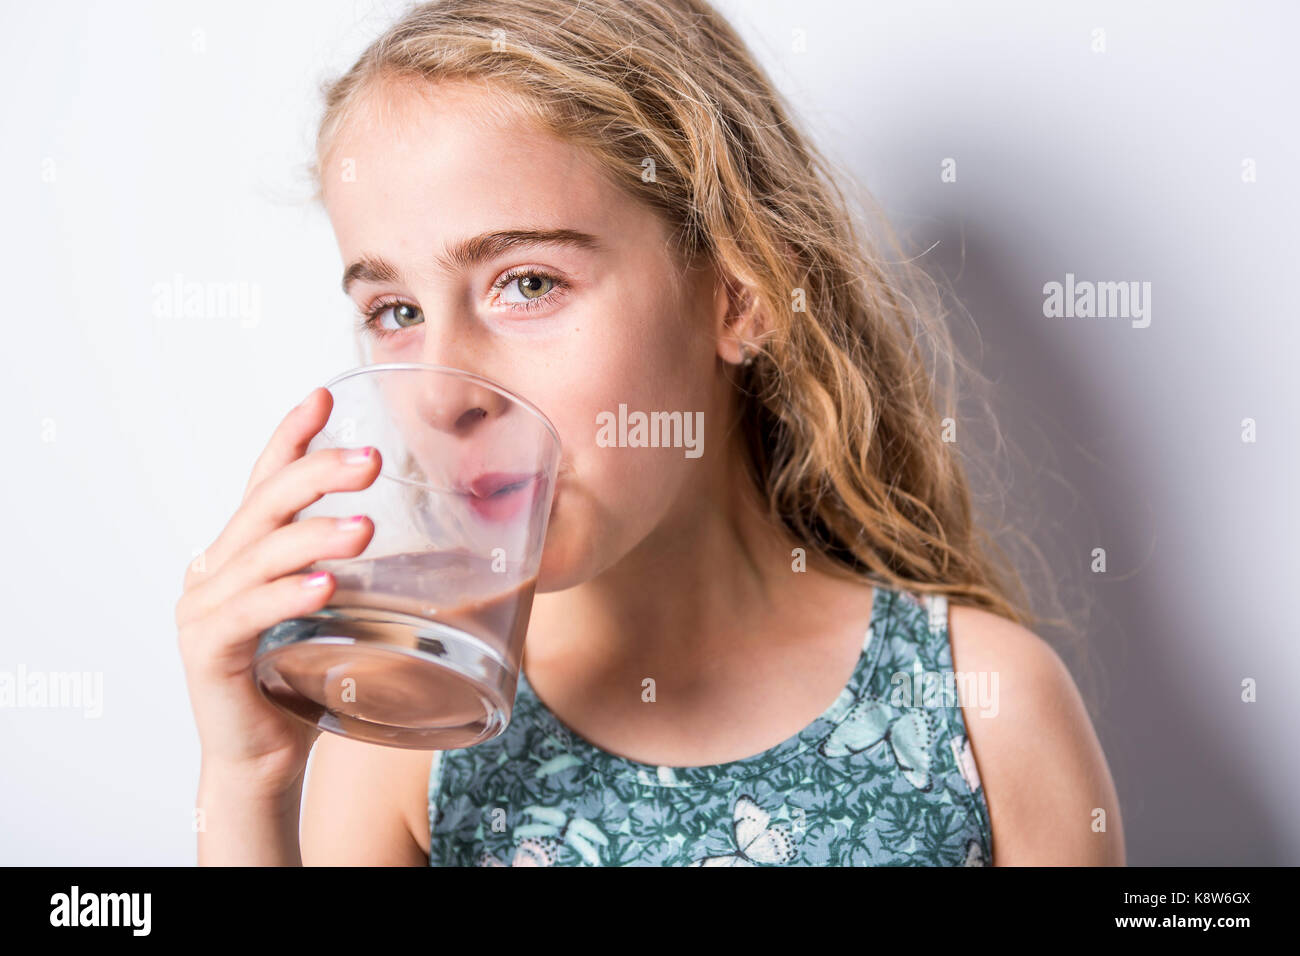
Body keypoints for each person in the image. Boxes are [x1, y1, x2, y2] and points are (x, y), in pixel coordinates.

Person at [175, 0, 1124, 866]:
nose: (439, 394)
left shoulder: (983, 707)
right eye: (393, 310)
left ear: (741, 293)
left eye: (529, 283)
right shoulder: (409, 738)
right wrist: (248, 786)